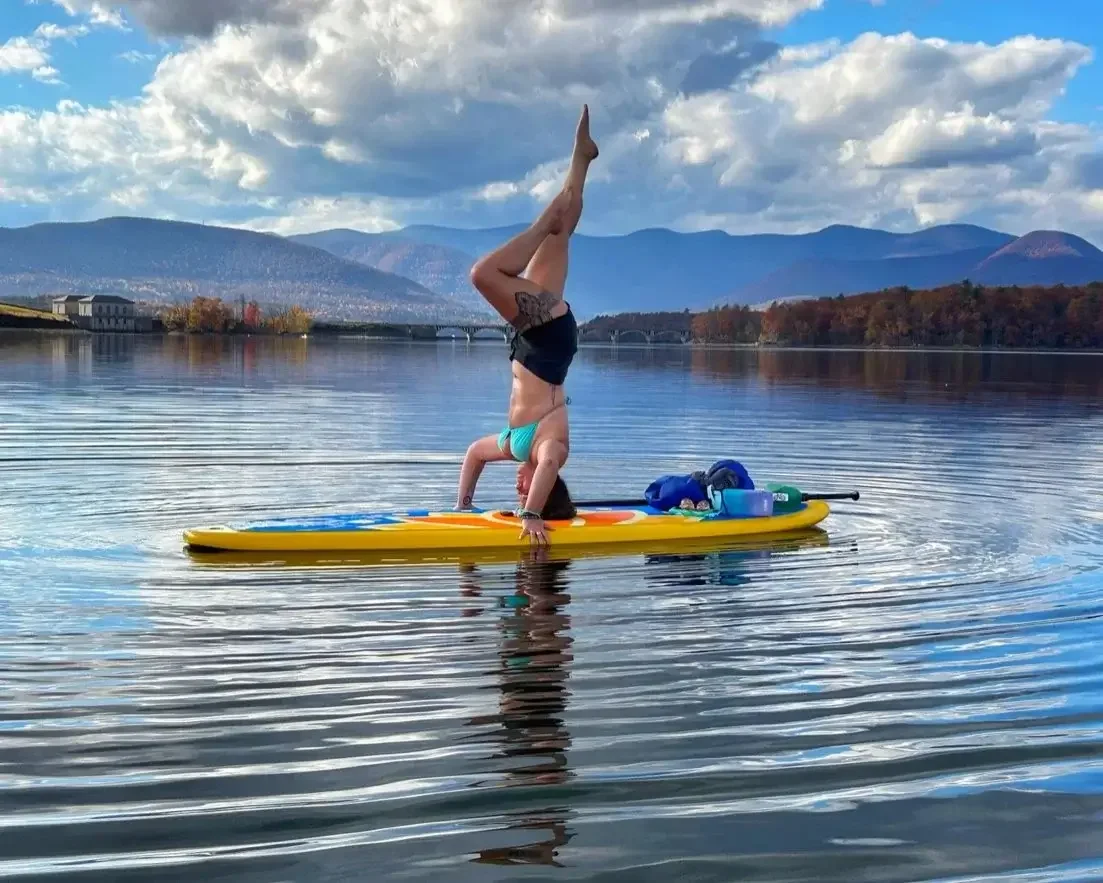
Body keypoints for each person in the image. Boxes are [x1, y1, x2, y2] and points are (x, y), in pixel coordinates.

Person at [455, 104, 599, 546]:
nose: (517, 489)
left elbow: (474, 455)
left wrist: (462, 506)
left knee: (560, 236)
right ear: (543, 485)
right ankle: (545, 220)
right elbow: (549, 468)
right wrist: (532, 514)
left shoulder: (516, 445)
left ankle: (581, 158)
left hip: (531, 341)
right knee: (483, 275)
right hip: (549, 339)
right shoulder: (549, 451)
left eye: (520, 494)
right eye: (526, 489)